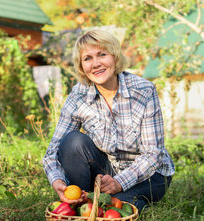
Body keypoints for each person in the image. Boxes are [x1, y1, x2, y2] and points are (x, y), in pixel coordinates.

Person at [43, 29, 175, 211]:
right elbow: (53, 151)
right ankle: (79, 204)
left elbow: (153, 154)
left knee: (114, 207)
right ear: (81, 66)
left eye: (102, 54)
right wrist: (57, 180)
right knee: (73, 141)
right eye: (87, 58)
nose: (96, 64)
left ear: (114, 57)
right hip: (107, 169)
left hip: (150, 174)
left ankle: (130, 200)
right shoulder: (78, 95)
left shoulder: (144, 91)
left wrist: (119, 182)